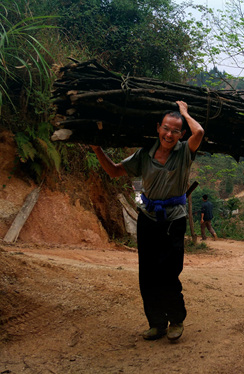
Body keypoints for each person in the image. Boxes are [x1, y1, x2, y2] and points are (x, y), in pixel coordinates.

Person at [90, 101, 204, 342]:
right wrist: (97, 149)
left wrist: (184, 113)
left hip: (174, 219)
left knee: (170, 272)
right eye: (166, 128)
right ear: (157, 128)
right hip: (148, 218)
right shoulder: (144, 154)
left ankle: (176, 320)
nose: (169, 134)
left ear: (181, 134)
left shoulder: (184, 151)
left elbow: (200, 132)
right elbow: (113, 171)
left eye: (175, 130)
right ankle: (156, 323)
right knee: (148, 274)